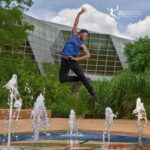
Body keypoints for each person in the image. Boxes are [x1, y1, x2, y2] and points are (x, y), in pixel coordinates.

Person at [59, 7, 99, 101]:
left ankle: (93, 94)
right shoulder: (73, 36)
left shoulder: (82, 45)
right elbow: (75, 24)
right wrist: (79, 14)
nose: (85, 37)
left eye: (86, 36)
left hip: (73, 60)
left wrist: (77, 59)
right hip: (64, 60)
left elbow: (88, 55)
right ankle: (78, 79)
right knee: (62, 79)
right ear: (80, 33)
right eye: (84, 35)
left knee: (83, 77)